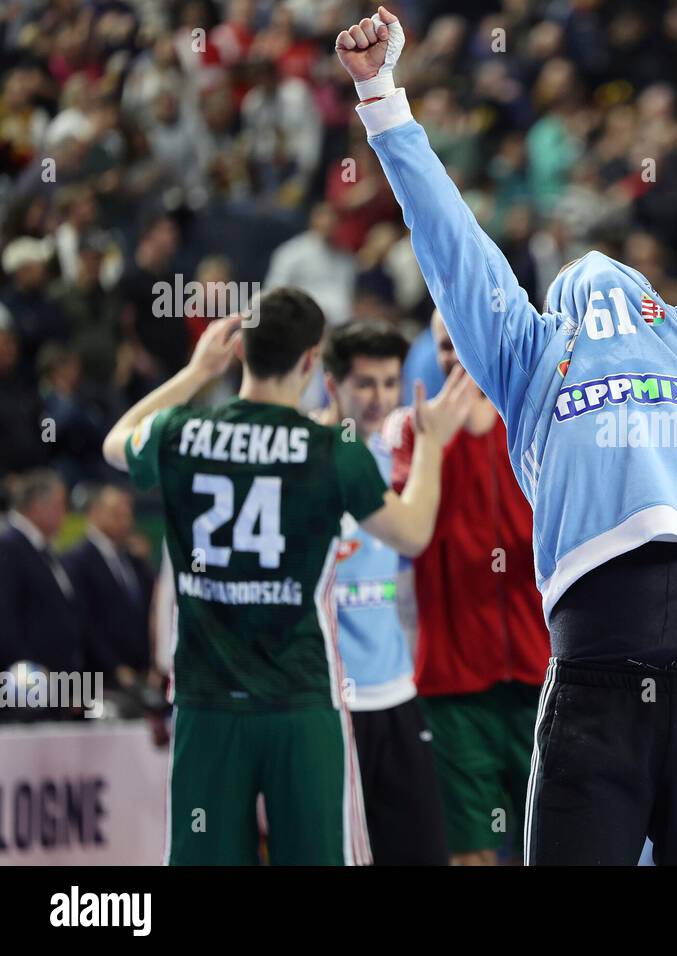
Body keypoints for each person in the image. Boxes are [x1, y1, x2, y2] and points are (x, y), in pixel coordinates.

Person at [336, 1, 677, 864]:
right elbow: (451, 244)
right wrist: (382, 98)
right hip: (600, 674)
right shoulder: (529, 351)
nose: (603, 280)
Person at [102, 287, 455, 865]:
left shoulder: (180, 434)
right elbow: (413, 532)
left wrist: (195, 374)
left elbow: (116, 442)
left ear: (239, 352)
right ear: (313, 361)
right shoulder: (329, 450)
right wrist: (434, 446)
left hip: (206, 702)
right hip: (301, 701)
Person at [389, 310, 551, 865]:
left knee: (553, 847)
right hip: (454, 687)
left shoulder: (539, 424)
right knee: (470, 854)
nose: (455, 357)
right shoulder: (413, 434)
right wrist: (435, 446)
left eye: (464, 341)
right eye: (443, 346)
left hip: (542, 676)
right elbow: (409, 533)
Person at [320, 321, 474, 865]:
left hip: (396, 696)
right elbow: (414, 531)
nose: (379, 398)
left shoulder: (395, 461)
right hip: (328, 703)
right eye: (365, 383)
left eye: (390, 382)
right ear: (330, 381)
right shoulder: (305, 460)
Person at [62, 483, 155, 692]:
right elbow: (84, 622)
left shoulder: (133, 562)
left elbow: (147, 613)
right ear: (94, 513)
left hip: (140, 674)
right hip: (99, 678)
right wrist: (114, 667)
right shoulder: (76, 560)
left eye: (128, 513)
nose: (126, 520)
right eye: (116, 513)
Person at [0, 469, 82, 678]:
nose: (66, 513)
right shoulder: (8, 544)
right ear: (38, 505)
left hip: (55, 679)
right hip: (27, 683)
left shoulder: (41, 547)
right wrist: (28, 667)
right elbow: (5, 617)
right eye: (61, 505)